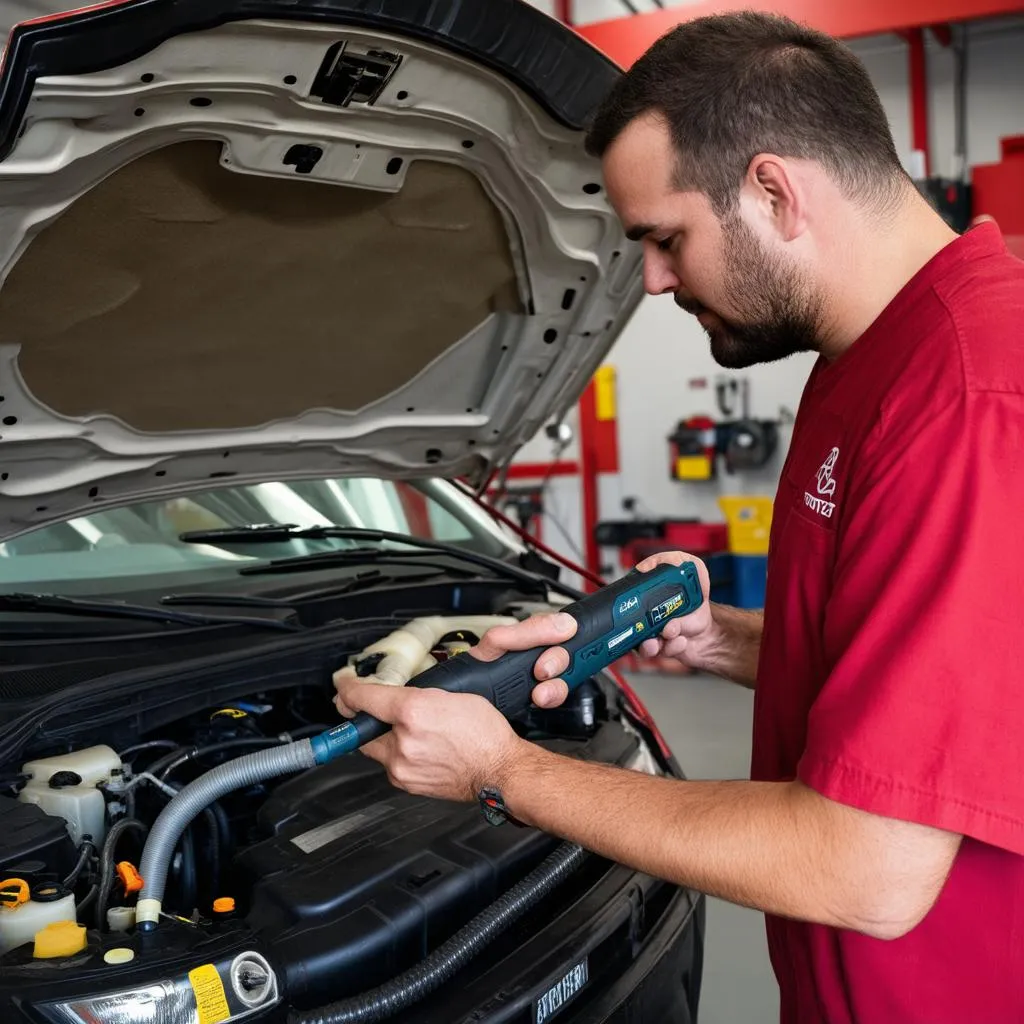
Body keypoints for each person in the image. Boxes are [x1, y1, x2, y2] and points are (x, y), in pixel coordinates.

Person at [334, 12, 1024, 1022]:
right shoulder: (871, 357)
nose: (652, 280)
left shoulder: (968, 396)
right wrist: (726, 640)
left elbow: (864, 869)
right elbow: (948, 681)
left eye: (665, 239)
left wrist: (503, 770)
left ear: (775, 192)